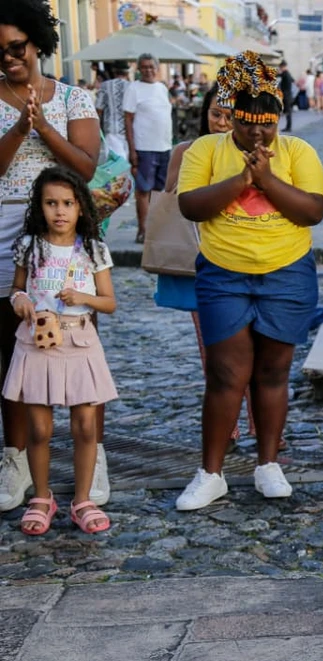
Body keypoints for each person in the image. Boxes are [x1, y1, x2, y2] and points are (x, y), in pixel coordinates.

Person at [174, 51, 323, 511]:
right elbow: (190, 206)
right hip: (224, 273)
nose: (257, 133)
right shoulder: (206, 150)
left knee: (274, 371)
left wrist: (268, 180)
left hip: (287, 272)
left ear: (279, 118)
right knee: (226, 372)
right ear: (232, 117)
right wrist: (243, 180)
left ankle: (268, 464)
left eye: (267, 124)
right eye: (246, 124)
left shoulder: (298, 152)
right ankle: (211, 473)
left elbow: (313, 211)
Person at [0, 0, 103, 513]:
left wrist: (43, 127)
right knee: (14, 352)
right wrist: (19, 128)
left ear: (38, 42)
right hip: (5, 235)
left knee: (81, 345)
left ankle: (93, 455)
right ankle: (16, 459)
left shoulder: (73, 98)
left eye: (16, 47)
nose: (9, 58)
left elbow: (86, 167)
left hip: (66, 238)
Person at [4, 166, 118, 535]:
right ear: (40, 207)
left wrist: (83, 296)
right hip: (37, 342)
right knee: (39, 428)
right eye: (51, 203)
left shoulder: (94, 249)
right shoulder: (29, 246)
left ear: (81, 207)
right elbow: (17, 289)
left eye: (68, 203)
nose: (60, 211)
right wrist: (20, 300)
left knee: (85, 426)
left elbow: (109, 302)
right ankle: (41, 497)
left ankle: (82, 500)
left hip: (79, 342)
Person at [159, 86, 262, 449]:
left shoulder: (257, 152)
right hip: (201, 262)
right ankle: (227, 428)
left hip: (250, 259)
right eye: (216, 113)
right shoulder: (185, 151)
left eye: (230, 115)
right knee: (215, 352)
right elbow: (171, 199)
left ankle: (262, 426)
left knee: (257, 347)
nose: (222, 122)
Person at [124, 53, 173, 244]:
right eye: (144, 67)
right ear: (139, 69)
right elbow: (128, 120)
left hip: (164, 147)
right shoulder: (134, 89)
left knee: (159, 191)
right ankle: (143, 229)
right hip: (144, 147)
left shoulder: (162, 88)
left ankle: (156, 228)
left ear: (157, 68)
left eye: (151, 66)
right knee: (143, 190)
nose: (148, 70)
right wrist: (132, 150)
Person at [94, 60, 130, 160]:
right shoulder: (132, 86)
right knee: (128, 162)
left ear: (114, 71)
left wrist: (96, 129)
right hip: (130, 131)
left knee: (115, 162)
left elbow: (99, 109)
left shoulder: (105, 85)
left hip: (111, 129)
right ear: (127, 72)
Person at [277, 61, 294, 132]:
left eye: (280, 67)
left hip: (286, 95)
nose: (280, 69)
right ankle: (288, 126)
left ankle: (288, 127)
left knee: (287, 112)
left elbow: (277, 75)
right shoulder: (288, 73)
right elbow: (293, 80)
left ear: (282, 67)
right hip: (288, 94)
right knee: (288, 111)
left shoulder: (284, 74)